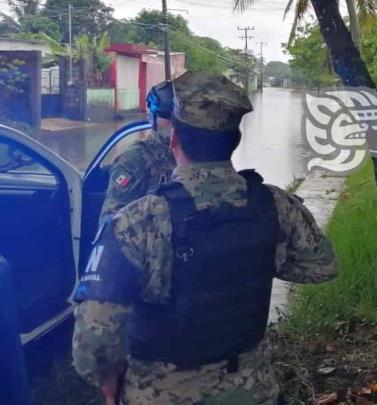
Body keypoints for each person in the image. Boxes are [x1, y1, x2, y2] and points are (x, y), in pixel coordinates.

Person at [72, 71, 337, 405]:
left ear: (174, 140)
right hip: (254, 391)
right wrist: (256, 257)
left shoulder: (137, 222)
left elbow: (92, 342)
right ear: (235, 140)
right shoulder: (275, 205)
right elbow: (323, 266)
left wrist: (109, 380)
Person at [100, 81, 176, 219]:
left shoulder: (194, 153)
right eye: (167, 115)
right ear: (152, 117)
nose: (174, 123)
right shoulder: (135, 161)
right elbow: (110, 222)